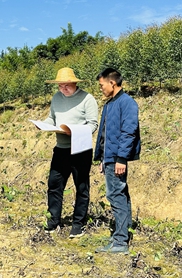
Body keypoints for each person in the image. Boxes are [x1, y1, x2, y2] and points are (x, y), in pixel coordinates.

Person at [41, 67, 98, 238]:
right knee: (54, 184)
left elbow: (93, 124)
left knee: (81, 186)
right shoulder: (56, 98)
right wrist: (43, 124)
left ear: (75, 83)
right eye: (60, 86)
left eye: (67, 86)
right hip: (61, 149)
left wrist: (75, 131)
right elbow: (52, 118)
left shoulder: (87, 99)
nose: (63, 89)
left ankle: (78, 224)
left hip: (80, 149)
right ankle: (53, 221)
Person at [94, 68, 141, 254]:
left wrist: (121, 158)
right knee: (120, 193)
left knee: (115, 195)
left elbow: (129, 132)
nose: (101, 89)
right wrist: (102, 158)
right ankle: (123, 233)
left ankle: (120, 242)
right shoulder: (110, 104)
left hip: (117, 159)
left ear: (112, 83)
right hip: (110, 157)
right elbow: (106, 135)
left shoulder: (127, 103)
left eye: (101, 85)